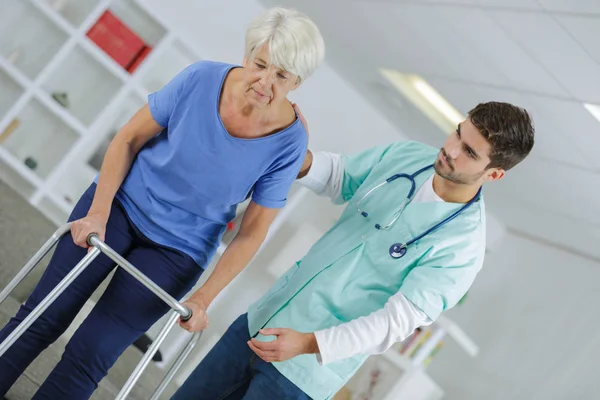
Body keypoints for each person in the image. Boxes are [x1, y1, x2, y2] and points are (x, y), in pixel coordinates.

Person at [0, 7, 324, 399]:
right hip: (118, 208)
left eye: (282, 76)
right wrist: (98, 212)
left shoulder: (289, 142)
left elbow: (253, 231)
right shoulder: (201, 79)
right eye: (260, 64)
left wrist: (204, 297)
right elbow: (128, 139)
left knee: (91, 354)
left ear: (298, 83)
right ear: (247, 53)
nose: (264, 81)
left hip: (177, 251)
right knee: (43, 315)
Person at [172, 101, 535, 400]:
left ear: (495, 173)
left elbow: (393, 324)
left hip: (304, 371)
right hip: (262, 322)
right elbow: (342, 176)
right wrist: (295, 155)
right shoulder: (409, 157)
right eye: (458, 132)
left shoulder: (462, 247)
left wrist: (311, 343)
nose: (451, 149)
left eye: (469, 152)